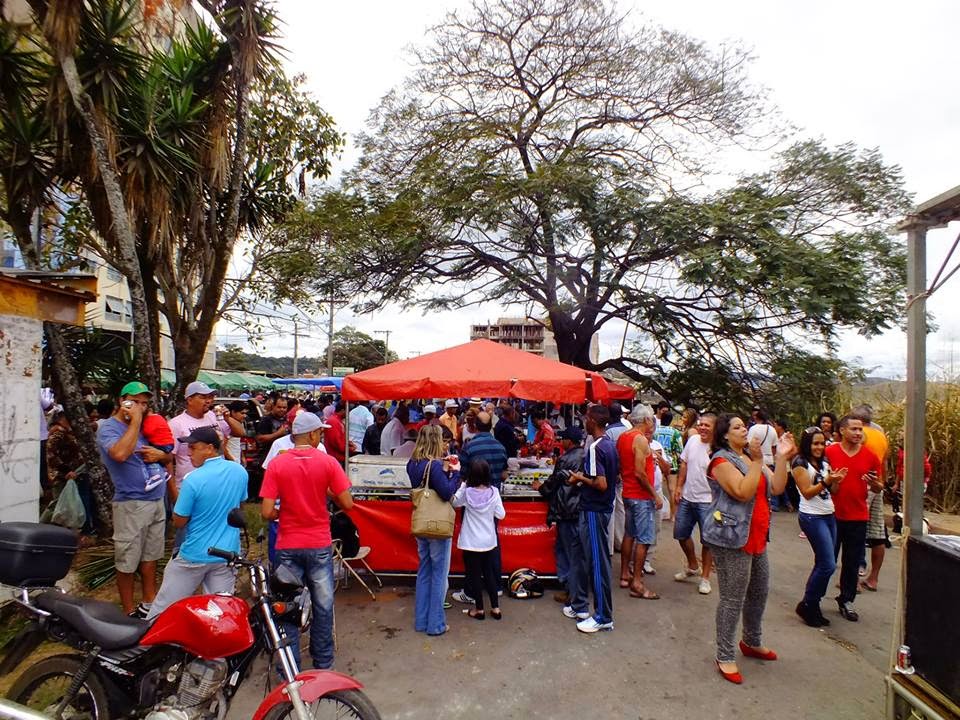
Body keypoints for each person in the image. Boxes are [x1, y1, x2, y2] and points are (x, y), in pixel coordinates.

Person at [260, 412, 353, 670]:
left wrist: (284, 512)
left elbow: (266, 512)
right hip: (318, 542)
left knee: (287, 606)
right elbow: (348, 503)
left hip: (288, 543)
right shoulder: (328, 463)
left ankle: (289, 667)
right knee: (322, 604)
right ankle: (323, 660)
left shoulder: (278, 464)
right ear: (312, 434)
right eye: (319, 433)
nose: (320, 436)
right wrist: (325, 491)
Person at [707, 413, 795, 684]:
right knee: (733, 599)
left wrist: (780, 457)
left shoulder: (748, 457)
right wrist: (758, 461)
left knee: (758, 592)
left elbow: (777, 487)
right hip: (732, 538)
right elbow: (742, 491)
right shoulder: (721, 461)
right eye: (737, 427)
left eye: (744, 425)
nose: (744, 429)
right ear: (724, 434)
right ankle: (724, 654)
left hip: (757, 535)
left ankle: (751, 641)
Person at [147, 427, 247, 619]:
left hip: (194, 554)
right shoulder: (239, 472)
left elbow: (179, 521)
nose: (189, 453)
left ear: (210, 448)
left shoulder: (193, 479)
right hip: (227, 554)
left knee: (163, 609)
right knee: (220, 613)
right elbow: (239, 505)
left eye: (193, 448)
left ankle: (145, 645)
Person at [96, 381, 173, 617]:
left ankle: (149, 603)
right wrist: (136, 420)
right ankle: (128, 610)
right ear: (123, 401)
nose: (141, 407)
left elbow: (168, 456)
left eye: (144, 403)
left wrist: (162, 454)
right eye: (135, 402)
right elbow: (119, 454)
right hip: (131, 502)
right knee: (127, 559)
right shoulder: (108, 428)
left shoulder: (147, 427)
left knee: (151, 556)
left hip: (156, 498)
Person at [824, 415, 883, 621]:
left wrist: (875, 484)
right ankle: (815, 597)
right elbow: (821, 480)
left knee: (852, 561)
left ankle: (846, 600)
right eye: (854, 429)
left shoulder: (870, 456)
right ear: (842, 431)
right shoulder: (829, 452)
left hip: (858, 515)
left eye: (860, 430)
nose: (859, 433)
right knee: (826, 560)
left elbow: (879, 485)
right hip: (830, 514)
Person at [566, 404, 618, 633]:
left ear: (593, 421)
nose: (584, 422)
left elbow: (601, 483)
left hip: (595, 510)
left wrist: (580, 478)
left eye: (586, 418)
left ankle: (603, 616)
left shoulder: (596, 448)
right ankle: (579, 605)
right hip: (596, 508)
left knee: (598, 563)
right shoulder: (609, 445)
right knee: (581, 555)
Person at [406, 425, 461, 636]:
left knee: (424, 571)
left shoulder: (413, 463)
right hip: (437, 524)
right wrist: (456, 473)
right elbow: (446, 492)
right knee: (439, 574)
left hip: (421, 520)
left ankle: (421, 621)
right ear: (437, 441)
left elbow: (427, 484)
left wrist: (444, 470)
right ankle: (436, 624)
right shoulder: (435, 466)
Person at [792, 426, 847, 627]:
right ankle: (808, 603)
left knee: (825, 563)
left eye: (822, 443)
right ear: (807, 444)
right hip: (811, 516)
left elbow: (833, 490)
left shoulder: (824, 461)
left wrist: (836, 481)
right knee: (828, 564)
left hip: (828, 514)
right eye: (815, 443)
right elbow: (807, 492)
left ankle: (813, 603)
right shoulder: (799, 463)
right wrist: (826, 481)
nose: (819, 447)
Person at [453, 411, 508, 604]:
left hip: (471, 502)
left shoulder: (470, 447)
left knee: (473, 554)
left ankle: (471, 592)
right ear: (491, 426)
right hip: (493, 501)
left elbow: (463, 475)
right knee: (492, 545)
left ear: (475, 425)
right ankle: (497, 587)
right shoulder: (500, 447)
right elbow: (503, 473)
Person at [532, 427, 584, 605]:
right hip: (579, 508)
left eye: (563, 439)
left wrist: (540, 487)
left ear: (570, 441)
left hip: (566, 509)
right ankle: (574, 589)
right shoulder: (585, 455)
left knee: (566, 551)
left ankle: (571, 590)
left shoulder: (565, 459)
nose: (561, 442)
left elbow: (552, 485)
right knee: (574, 551)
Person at [452, 458, 506, 620]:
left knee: (474, 575)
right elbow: (501, 514)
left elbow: (454, 502)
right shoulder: (494, 492)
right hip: (488, 541)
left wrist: (463, 485)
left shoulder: (467, 493)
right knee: (489, 573)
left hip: (470, 542)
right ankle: (495, 608)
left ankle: (479, 609)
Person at [617, 405, 660, 599]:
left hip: (628, 493)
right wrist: (655, 495)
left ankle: (625, 574)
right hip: (641, 496)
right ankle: (636, 582)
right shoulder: (640, 439)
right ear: (646, 420)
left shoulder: (624, 437)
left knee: (629, 534)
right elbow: (640, 473)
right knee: (644, 539)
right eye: (651, 419)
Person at [673, 413, 716, 595]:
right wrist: (678, 486)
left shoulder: (719, 448)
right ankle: (693, 565)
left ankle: (705, 578)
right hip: (688, 497)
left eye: (707, 425)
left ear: (715, 428)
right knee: (680, 533)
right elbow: (684, 464)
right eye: (701, 424)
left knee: (708, 540)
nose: (703, 428)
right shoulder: (693, 440)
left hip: (709, 501)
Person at [853, 404, 890, 592]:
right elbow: (884, 462)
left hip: (864, 485)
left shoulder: (861, 436)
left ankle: (854, 578)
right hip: (878, 485)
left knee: (855, 529)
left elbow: (856, 459)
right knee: (877, 534)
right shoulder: (881, 434)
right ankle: (873, 578)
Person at [653, 411, 683, 521]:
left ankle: (657, 513)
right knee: (672, 490)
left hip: (657, 463)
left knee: (657, 487)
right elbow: (680, 449)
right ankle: (673, 515)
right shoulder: (675, 432)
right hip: (672, 464)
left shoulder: (654, 431)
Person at [324, 401, 354, 465]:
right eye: (347, 411)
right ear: (343, 410)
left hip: (339, 457)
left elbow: (340, 439)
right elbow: (336, 442)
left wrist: (349, 444)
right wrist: (349, 449)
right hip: (336, 458)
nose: (348, 414)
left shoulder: (337, 420)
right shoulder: (333, 421)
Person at [223, 400, 249, 464]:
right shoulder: (227, 424)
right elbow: (223, 447)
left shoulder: (240, 423)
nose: (245, 416)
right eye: (242, 413)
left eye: (246, 413)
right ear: (233, 412)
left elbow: (237, 443)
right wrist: (232, 461)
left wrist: (242, 457)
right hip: (229, 462)